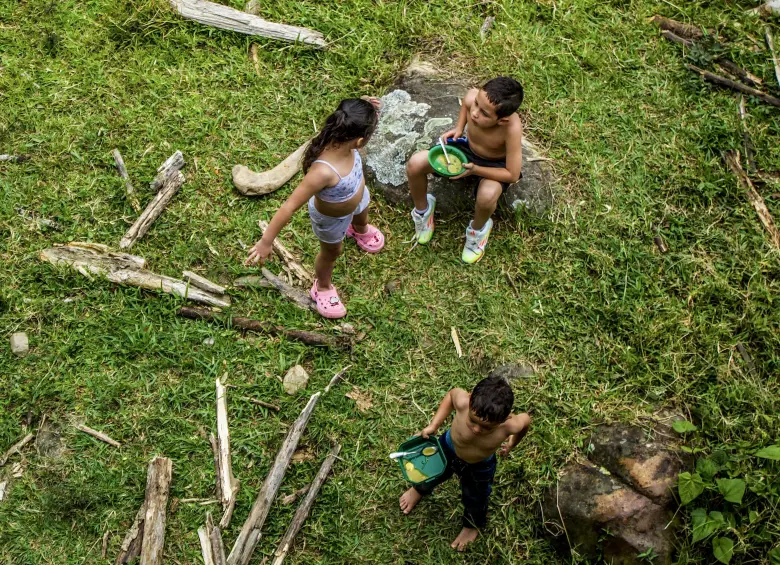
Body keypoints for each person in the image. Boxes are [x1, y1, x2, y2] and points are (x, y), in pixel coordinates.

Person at [245, 98, 385, 319]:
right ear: (359, 141)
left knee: (362, 209)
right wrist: (266, 241)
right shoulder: (323, 172)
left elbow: (352, 114)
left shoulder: (342, 132)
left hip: (357, 196)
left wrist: (366, 105)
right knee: (332, 252)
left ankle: (359, 229)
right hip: (332, 219)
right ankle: (322, 286)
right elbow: (288, 207)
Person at [398, 375, 531, 551]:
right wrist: (434, 425)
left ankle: (471, 525)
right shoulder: (462, 401)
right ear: (469, 402)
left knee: (476, 496)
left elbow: (525, 421)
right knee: (430, 469)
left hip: (479, 465)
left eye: (486, 428)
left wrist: (513, 442)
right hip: (449, 447)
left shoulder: (509, 426)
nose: (477, 430)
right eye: (473, 421)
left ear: (504, 419)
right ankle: (419, 489)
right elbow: (451, 395)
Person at [405, 77, 524, 263]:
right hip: (467, 149)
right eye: (476, 104)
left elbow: (513, 174)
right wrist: (459, 128)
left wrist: (476, 170)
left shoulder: (512, 128)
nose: (475, 113)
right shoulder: (473, 98)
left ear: (502, 120)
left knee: (487, 196)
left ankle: (478, 230)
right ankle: (422, 211)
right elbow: (467, 104)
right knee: (415, 164)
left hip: (494, 164)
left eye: (484, 113)